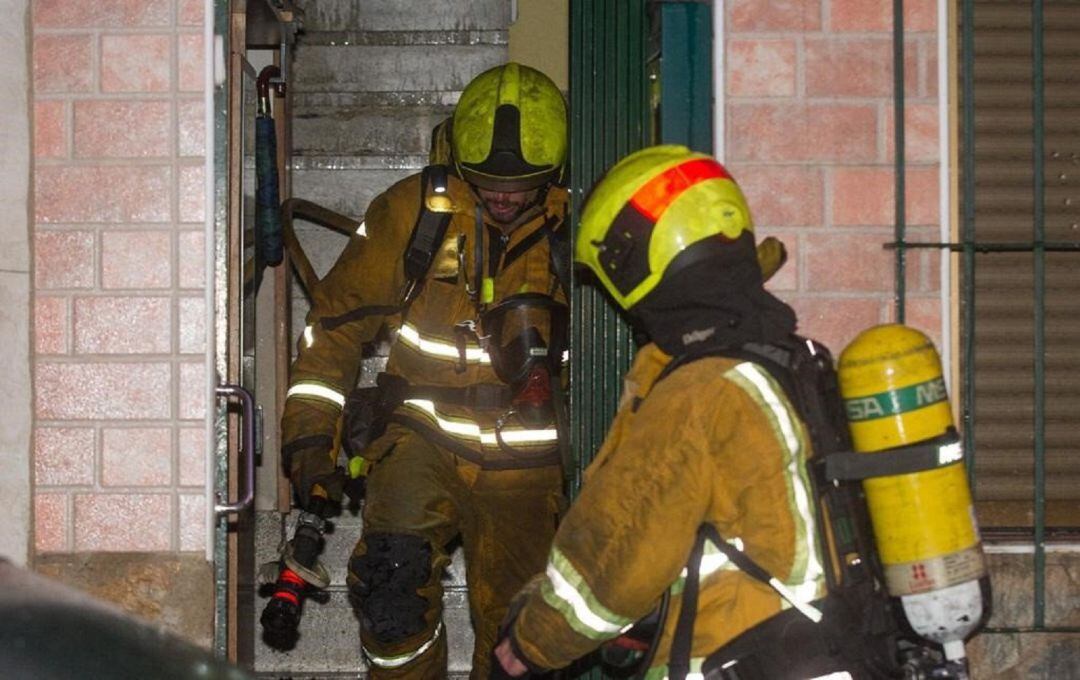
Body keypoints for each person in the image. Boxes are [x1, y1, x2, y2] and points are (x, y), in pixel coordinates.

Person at [493, 145, 876, 679]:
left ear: (633, 264)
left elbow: (613, 557)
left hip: (742, 659)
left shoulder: (700, 391)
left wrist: (529, 644)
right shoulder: (793, 364)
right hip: (834, 651)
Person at [280, 62, 570, 679]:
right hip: (421, 436)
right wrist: (310, 440)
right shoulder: (415, 212)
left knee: (527, 636)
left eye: (523, 185)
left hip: (530, 459)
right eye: (488, 180)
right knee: (390, 586)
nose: (505, 196)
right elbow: (335, 330)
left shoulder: (572, 229)